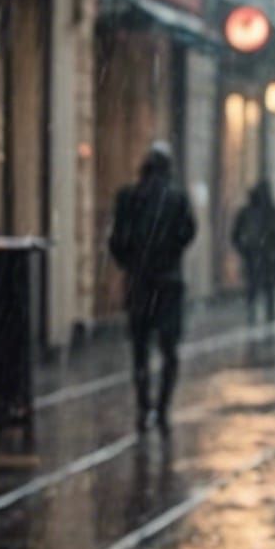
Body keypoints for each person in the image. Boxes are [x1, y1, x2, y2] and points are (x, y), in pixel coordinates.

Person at [108, 140, 197, 434]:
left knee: (140, 348)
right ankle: (162, 408)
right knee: (169, 350)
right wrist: (169, 255)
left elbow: (117, 241)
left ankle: (143, 404)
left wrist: (132, 263)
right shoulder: (177, 198)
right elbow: (188, 232)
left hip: (140, 283)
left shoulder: (128, 197)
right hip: (169, 283)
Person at [231, 179, 275, 325]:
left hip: (254, 254)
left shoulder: (248, 211)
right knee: (267, 286)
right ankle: (267, 312)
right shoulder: (272, 211)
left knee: (254, 284)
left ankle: (254, 311)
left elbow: (235, 234)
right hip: (266, 254)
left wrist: (243, 249)